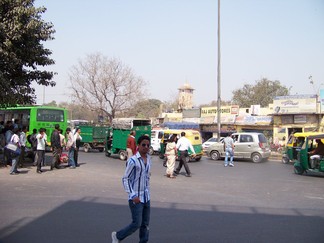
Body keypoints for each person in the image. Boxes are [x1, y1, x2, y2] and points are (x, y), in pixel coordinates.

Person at [111, 135, 152, 243]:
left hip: (146, 197)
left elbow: (146, 176)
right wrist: (133, 195)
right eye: (143, 144)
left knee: (145, 224)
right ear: (138, 145)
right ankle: (118, 236)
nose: (146, 147)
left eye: (148, 145)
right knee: (136, 223)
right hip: (136, 198)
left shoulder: (149, 159)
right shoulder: (133, 161)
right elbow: (125, 179)